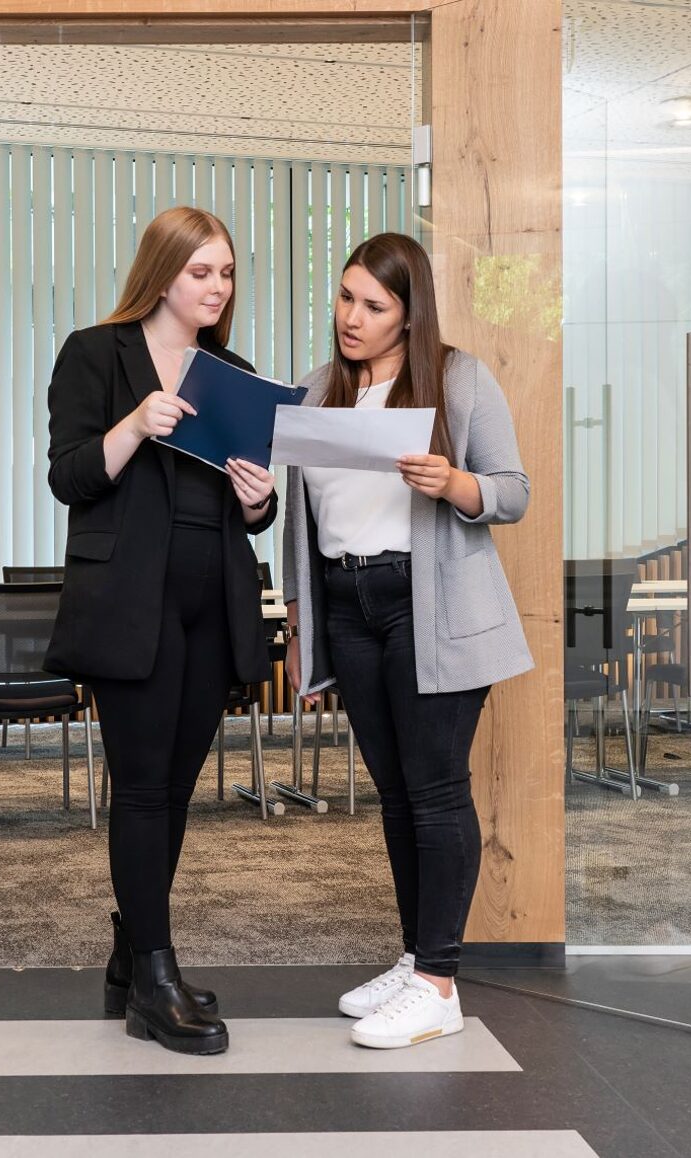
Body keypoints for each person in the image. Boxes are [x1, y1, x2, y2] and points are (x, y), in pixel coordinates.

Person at [281, 232, 533, 1050]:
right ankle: (417, 957)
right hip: (346, 604)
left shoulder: (457, 379)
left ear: (408, 313)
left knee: (433, 790)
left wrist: (454, 484)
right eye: (346, 296)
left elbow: (513, 492)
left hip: (427, 604)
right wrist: (297, 623)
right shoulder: (316, 390)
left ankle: (438, 983)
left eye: (373, 305)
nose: (351, 317)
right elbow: (303, 521)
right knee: (394, 794)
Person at [45, 207, 277, 1056]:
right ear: (162, 271)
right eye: (200, 272)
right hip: (130, 601)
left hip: (212, 601)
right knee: (143, 789)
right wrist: (137, 424)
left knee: (176, 791)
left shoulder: (235, 373)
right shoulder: (95, 353)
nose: (216, 288)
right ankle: (155, 974)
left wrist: (259, 501)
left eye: (225, 273)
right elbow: (70, 477)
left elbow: (247, 508)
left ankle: (131, 952)